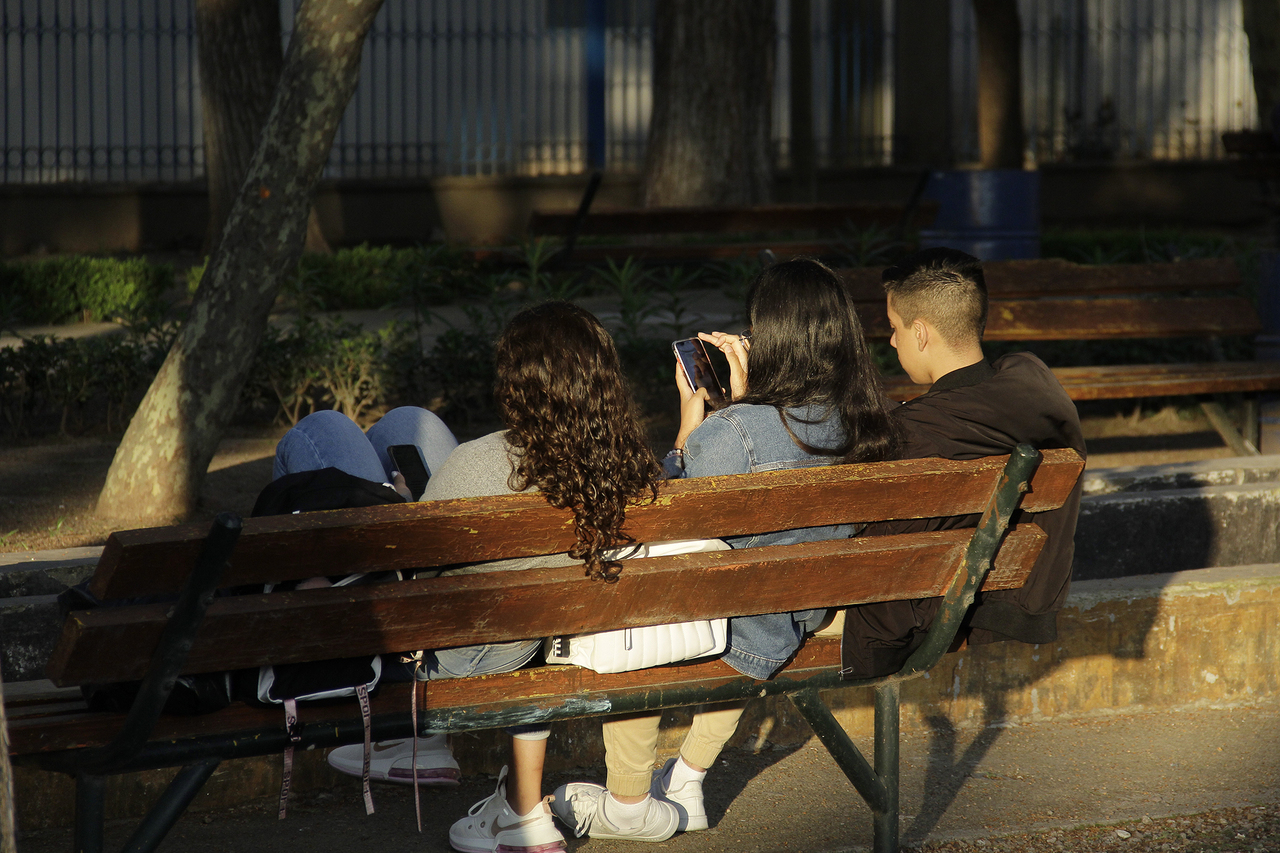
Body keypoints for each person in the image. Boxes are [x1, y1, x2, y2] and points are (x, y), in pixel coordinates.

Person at [281, 301, 668, 853]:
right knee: (408, 422)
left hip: (463, 653)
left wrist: (408, 511)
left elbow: (413, 570)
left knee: (320, 432)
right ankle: (433, 749)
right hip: (549, 629)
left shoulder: (481, 463)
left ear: (519, 384)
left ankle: (421, 739)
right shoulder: (630, 466)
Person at [550, 258, 902, 841]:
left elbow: (664, 521)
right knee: (755, 593)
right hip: (806, 612)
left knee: (638, 593)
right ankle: (687, 776)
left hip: (734, 617)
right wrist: (743, 404)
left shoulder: (734, 432)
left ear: (776, 338)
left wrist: (698, 419)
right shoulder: (869, 422)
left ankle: (630, 801)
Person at [840, 247, 1087, 679]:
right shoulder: (1034, 393)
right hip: (995, 597)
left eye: (895, 328)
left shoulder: (917, 430)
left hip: (906, 623)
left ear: (920, 333)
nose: (892, 340)